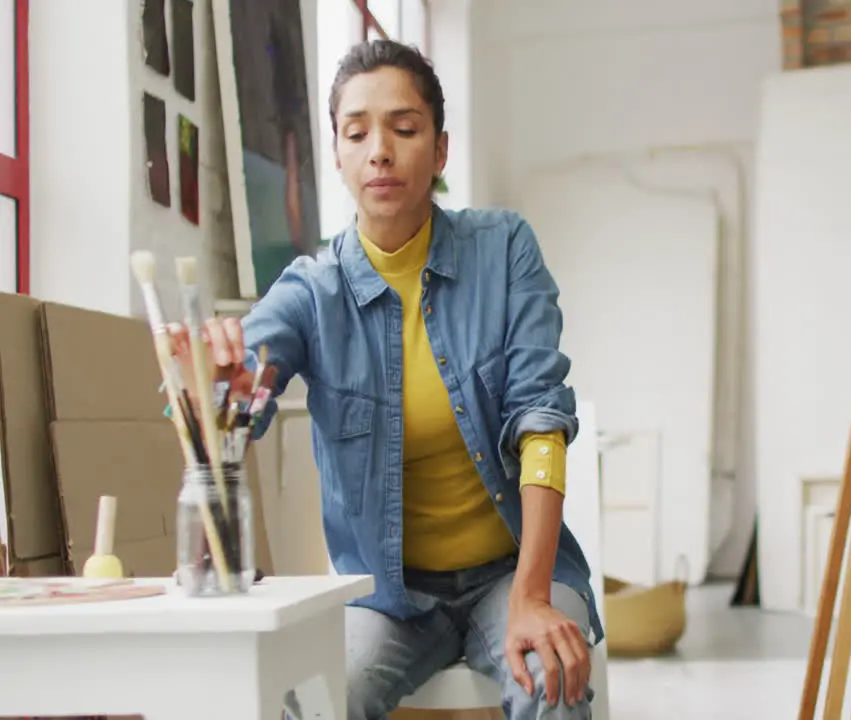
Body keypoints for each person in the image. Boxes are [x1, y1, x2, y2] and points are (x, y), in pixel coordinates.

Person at [167, 39, 601, 720]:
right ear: (336, 154)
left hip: (512, 568)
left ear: (441, 148)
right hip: (387, 598)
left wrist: (533, 593)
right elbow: (234, 394)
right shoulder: (312, 290)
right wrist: (214, 376)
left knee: (552, 676)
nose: (380, 150)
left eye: (404, 128)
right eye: (356, 131)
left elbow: (540, 419)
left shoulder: (505, 249)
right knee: (310, 701)